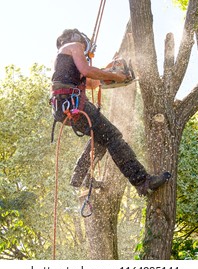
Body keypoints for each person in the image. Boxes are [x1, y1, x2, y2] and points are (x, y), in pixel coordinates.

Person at [50, 28, 171, 196]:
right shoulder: (74, 45)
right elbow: (87, 71)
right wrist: (117, 76)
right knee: (113, 136)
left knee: (102, 139)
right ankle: (143, 181)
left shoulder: (64, 58)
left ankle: (80, 175)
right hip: (72, 102)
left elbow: (92, 83)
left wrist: (109, 69)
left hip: (64, 106)